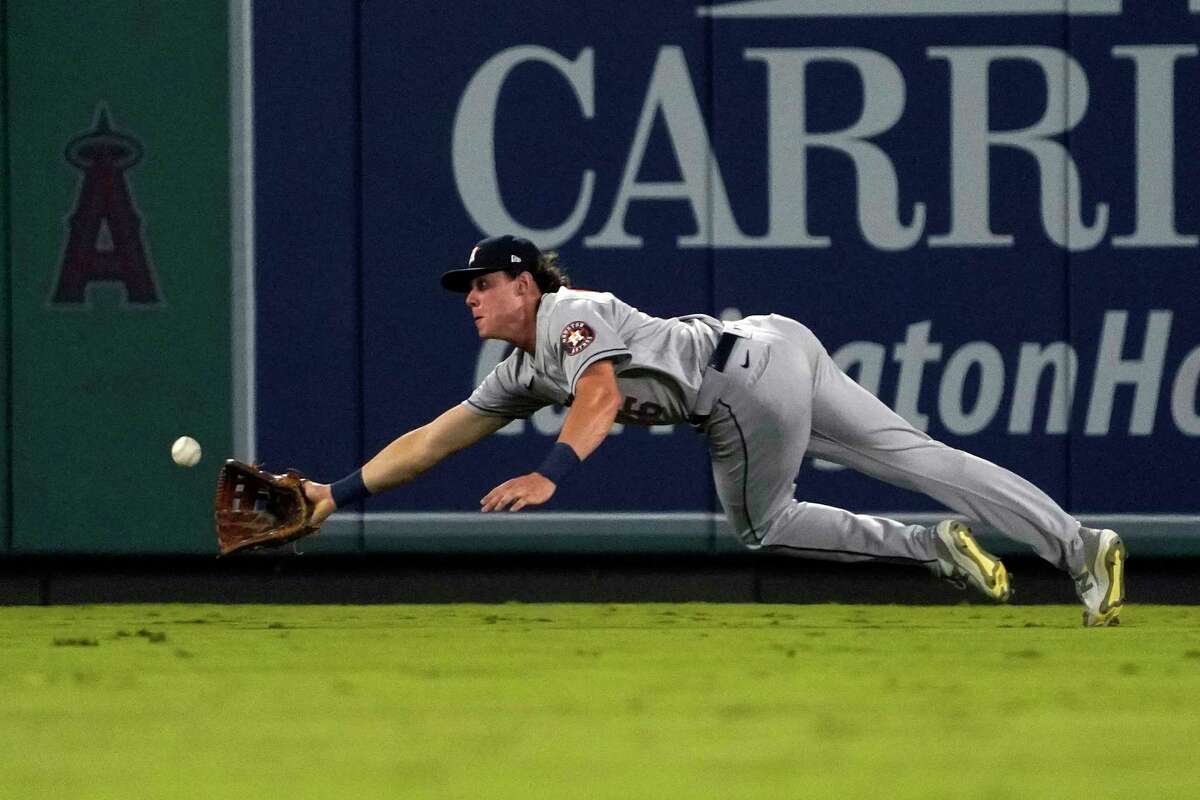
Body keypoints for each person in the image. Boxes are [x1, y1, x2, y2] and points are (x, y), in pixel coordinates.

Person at [302, 234, 1127, 627]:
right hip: (773, 344)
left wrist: (553, 469)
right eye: (466, 289)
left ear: (525, 282)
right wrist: (331, 497)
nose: (472, 297)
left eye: (483, 283)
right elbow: (434, 439)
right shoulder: (520, 370)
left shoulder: (568, 314)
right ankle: (1077, 542)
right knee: (922, 458)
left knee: (763, 524)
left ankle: (932, 549)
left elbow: (595, 394)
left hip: (738, 388)